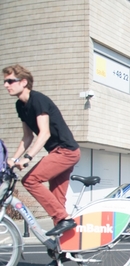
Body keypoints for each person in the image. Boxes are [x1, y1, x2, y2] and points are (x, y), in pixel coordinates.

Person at [3, 64, 81, 236]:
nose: (6, 85)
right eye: (5, 82)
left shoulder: (37, 100)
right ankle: (63, 252)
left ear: (23, 82)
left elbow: (44, 133)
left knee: (30, 180)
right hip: (58, 153)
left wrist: (28, 158)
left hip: (66, 151)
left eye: (10, 81)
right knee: (57, 202)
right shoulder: (20, 106)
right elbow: (27, 137)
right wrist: (13, 159)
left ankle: (65, 220)